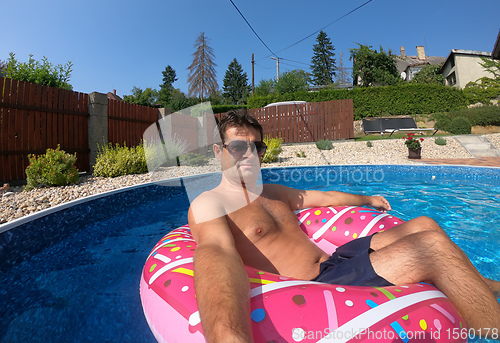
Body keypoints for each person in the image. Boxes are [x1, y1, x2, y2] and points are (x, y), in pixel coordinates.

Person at [188, 109, 500, 343]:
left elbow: (322, 197)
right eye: (238, 147)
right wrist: (227, 335)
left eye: (257, 148)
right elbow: (215, 252)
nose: (250, 155)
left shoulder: (271, 192)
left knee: (424, 223)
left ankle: (486, 288)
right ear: (219, 151)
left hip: (336, 259)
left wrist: (367, 199)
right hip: (319, 283)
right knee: (431, 249)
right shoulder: (210, 203)